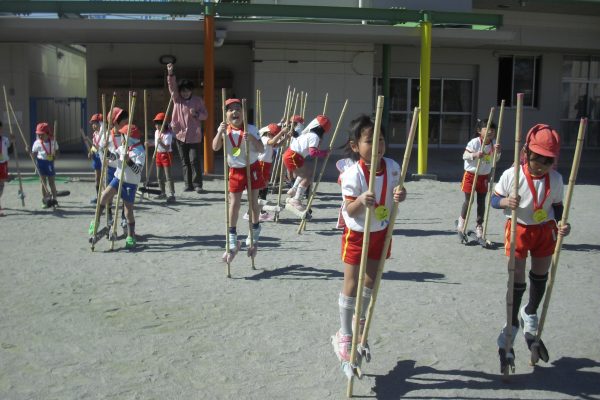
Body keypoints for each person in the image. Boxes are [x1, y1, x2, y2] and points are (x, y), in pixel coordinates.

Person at [491, 124, 571, 370]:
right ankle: (511, 322)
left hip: (544, 230)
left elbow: (557, 206)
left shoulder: (555, 179)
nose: (542, 166)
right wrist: (505, 200)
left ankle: (530, 312)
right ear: (526, 152)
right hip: (518, 228)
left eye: (548, 161)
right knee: (516, 276)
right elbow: (495, 199)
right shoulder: (512, 175)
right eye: (538, 159)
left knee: (541, 274)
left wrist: (561, 224)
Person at [333, 115, 406, 362]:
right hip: (357, 234)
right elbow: (348, 210)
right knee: (351, 283)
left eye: (381, 139)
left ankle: (359, 322)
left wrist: (401, 194)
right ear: (355, 146)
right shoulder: (352, 174)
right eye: (369, 141)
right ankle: (344, 334)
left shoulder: (394, 167)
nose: (377, 145)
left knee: (370, 282)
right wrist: (361, 201)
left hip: (381, 232)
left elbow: (397, 192)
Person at [212, 98, 265, 253]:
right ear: (226, 114)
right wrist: (219, 133)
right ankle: (232, 234)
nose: (235, 112)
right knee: (234, 203)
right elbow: (215, 147)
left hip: (252, 168)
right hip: (235, 170)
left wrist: (253, 139)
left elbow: (261, 149)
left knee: (253, 202)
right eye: (230, 109)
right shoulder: (224, 129)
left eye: (238, 109)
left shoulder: (251, 128)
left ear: (243, 112)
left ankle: (255, 229)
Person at [89, 123, 146, 249]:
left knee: (127, 211)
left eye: (124, 135)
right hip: (118, 178)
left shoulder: (140, 152)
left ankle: (131, 236)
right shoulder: (123, 147)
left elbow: (138, 171)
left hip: (130, 183)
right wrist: (106, 152)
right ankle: (96, 221)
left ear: (129, 137)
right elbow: (114, 156)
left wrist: (129, 161)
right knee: (104, 196)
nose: (122, 138)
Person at [166, 63, 208, 193]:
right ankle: (187, 184)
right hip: (180, 135)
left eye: (187, 90)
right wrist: (170, 74)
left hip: (194, 136)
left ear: (191, 91)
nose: (185, 93)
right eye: (183, 91)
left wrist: (197, 114)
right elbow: (172, 87)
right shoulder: (177, 99)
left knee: (194, 160)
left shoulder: (198, 100)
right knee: (184, 161)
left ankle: (197, 184)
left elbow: (205, 115)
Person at [457, 119, 500, 238]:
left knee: (481, 202)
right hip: (471, 175)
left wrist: (498, 152)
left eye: (492, 129)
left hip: (484, 176)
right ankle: (462, 221)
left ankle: (479, 225)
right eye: (487, 128)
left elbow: (494, 160)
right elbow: (464, 156)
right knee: (469, 201)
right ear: (479, 131)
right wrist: (475, 155)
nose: (490, 131)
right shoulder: (474, 142)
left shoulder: (493, 143)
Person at [283, 115, 332, 211]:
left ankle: (294, 189)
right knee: (307, 177)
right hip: (293, 156)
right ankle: (296, 199)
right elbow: (312, 152)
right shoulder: (314, 137)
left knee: (308, 172)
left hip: (293, 155)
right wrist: (325, 153)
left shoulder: (308, 134)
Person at [244, 122, 289, 222]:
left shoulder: (269, 139)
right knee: (262, 187)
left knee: (264, 186)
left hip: (266, 165)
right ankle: (252, 212)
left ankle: (261, 211)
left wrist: (285, 138)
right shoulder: (264, 139)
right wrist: (282, 132)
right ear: (269, 133)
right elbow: (272, 142)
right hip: (262, 164)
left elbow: (276, 144)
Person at [97, 107, 128, 227]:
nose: (126, 123)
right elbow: (100, 150)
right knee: (108, 195)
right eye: (124, 121)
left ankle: (124, 217)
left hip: (124, 170)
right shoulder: (106, 135)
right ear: (115, 122)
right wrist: (103, 159)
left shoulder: (126, 135)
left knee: (124, 195)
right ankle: (109, 215)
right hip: (110, 169)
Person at [146, 112, 175, 203]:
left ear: (164, 124)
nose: (157, 126)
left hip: (166, 155)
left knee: (168, 176)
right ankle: (162, 193)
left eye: (159, 124)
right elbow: (156, 144)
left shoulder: (168, 134)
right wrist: (150, 144)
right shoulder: (156, 132)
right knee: (159, 176)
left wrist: (160, 142)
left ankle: (172, 194)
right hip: (158, 154)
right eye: (156, 124)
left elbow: (167, 147)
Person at [29, 122, 59, 208]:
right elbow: (34, 154)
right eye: (38, 134)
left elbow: (57, 151)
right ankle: (45, 199)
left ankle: (55, 199)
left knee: (51, 182)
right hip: (40, 163)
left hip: (49, 163)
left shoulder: (53, 141)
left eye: (42, 134)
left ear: (47, 133)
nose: (40, 136)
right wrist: (30, 153)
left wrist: (55, 156)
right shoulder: (37, 143)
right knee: (43, 183)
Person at [87, 113, 104, 204]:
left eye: (95, 123)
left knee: (104, 178)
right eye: (92, 123)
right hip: (96, 157)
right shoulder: (95, 134)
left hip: (104, 156)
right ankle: (98, 196)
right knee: (97, 178)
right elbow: (94, 145)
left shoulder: (105, 134)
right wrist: (91, 151)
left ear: (100, 123)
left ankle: (105, 197)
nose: (93, 125)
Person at [0, 120, 16, 216]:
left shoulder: (5, 140)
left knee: (1, 186)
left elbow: (10, 151)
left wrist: (13, 142)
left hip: (3, 164)